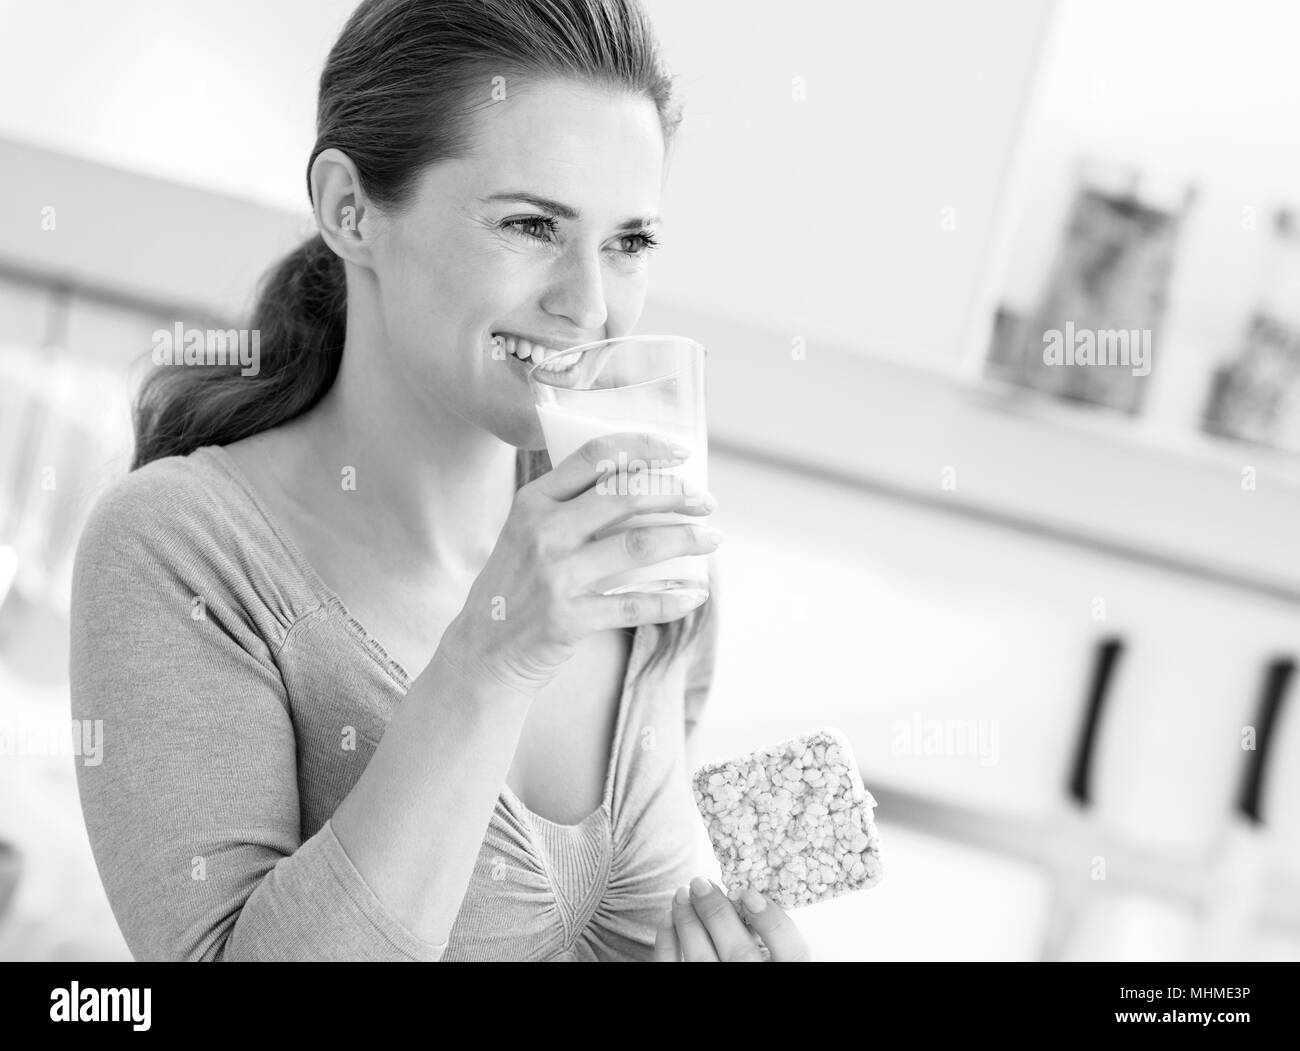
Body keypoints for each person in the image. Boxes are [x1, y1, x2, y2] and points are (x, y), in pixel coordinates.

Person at [70, 0, 809, 962]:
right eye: (532, 224)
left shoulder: (639, 546)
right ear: (351, 209)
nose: (589, 305)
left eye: (629, 242)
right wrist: (491, 657)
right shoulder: (180, 552)